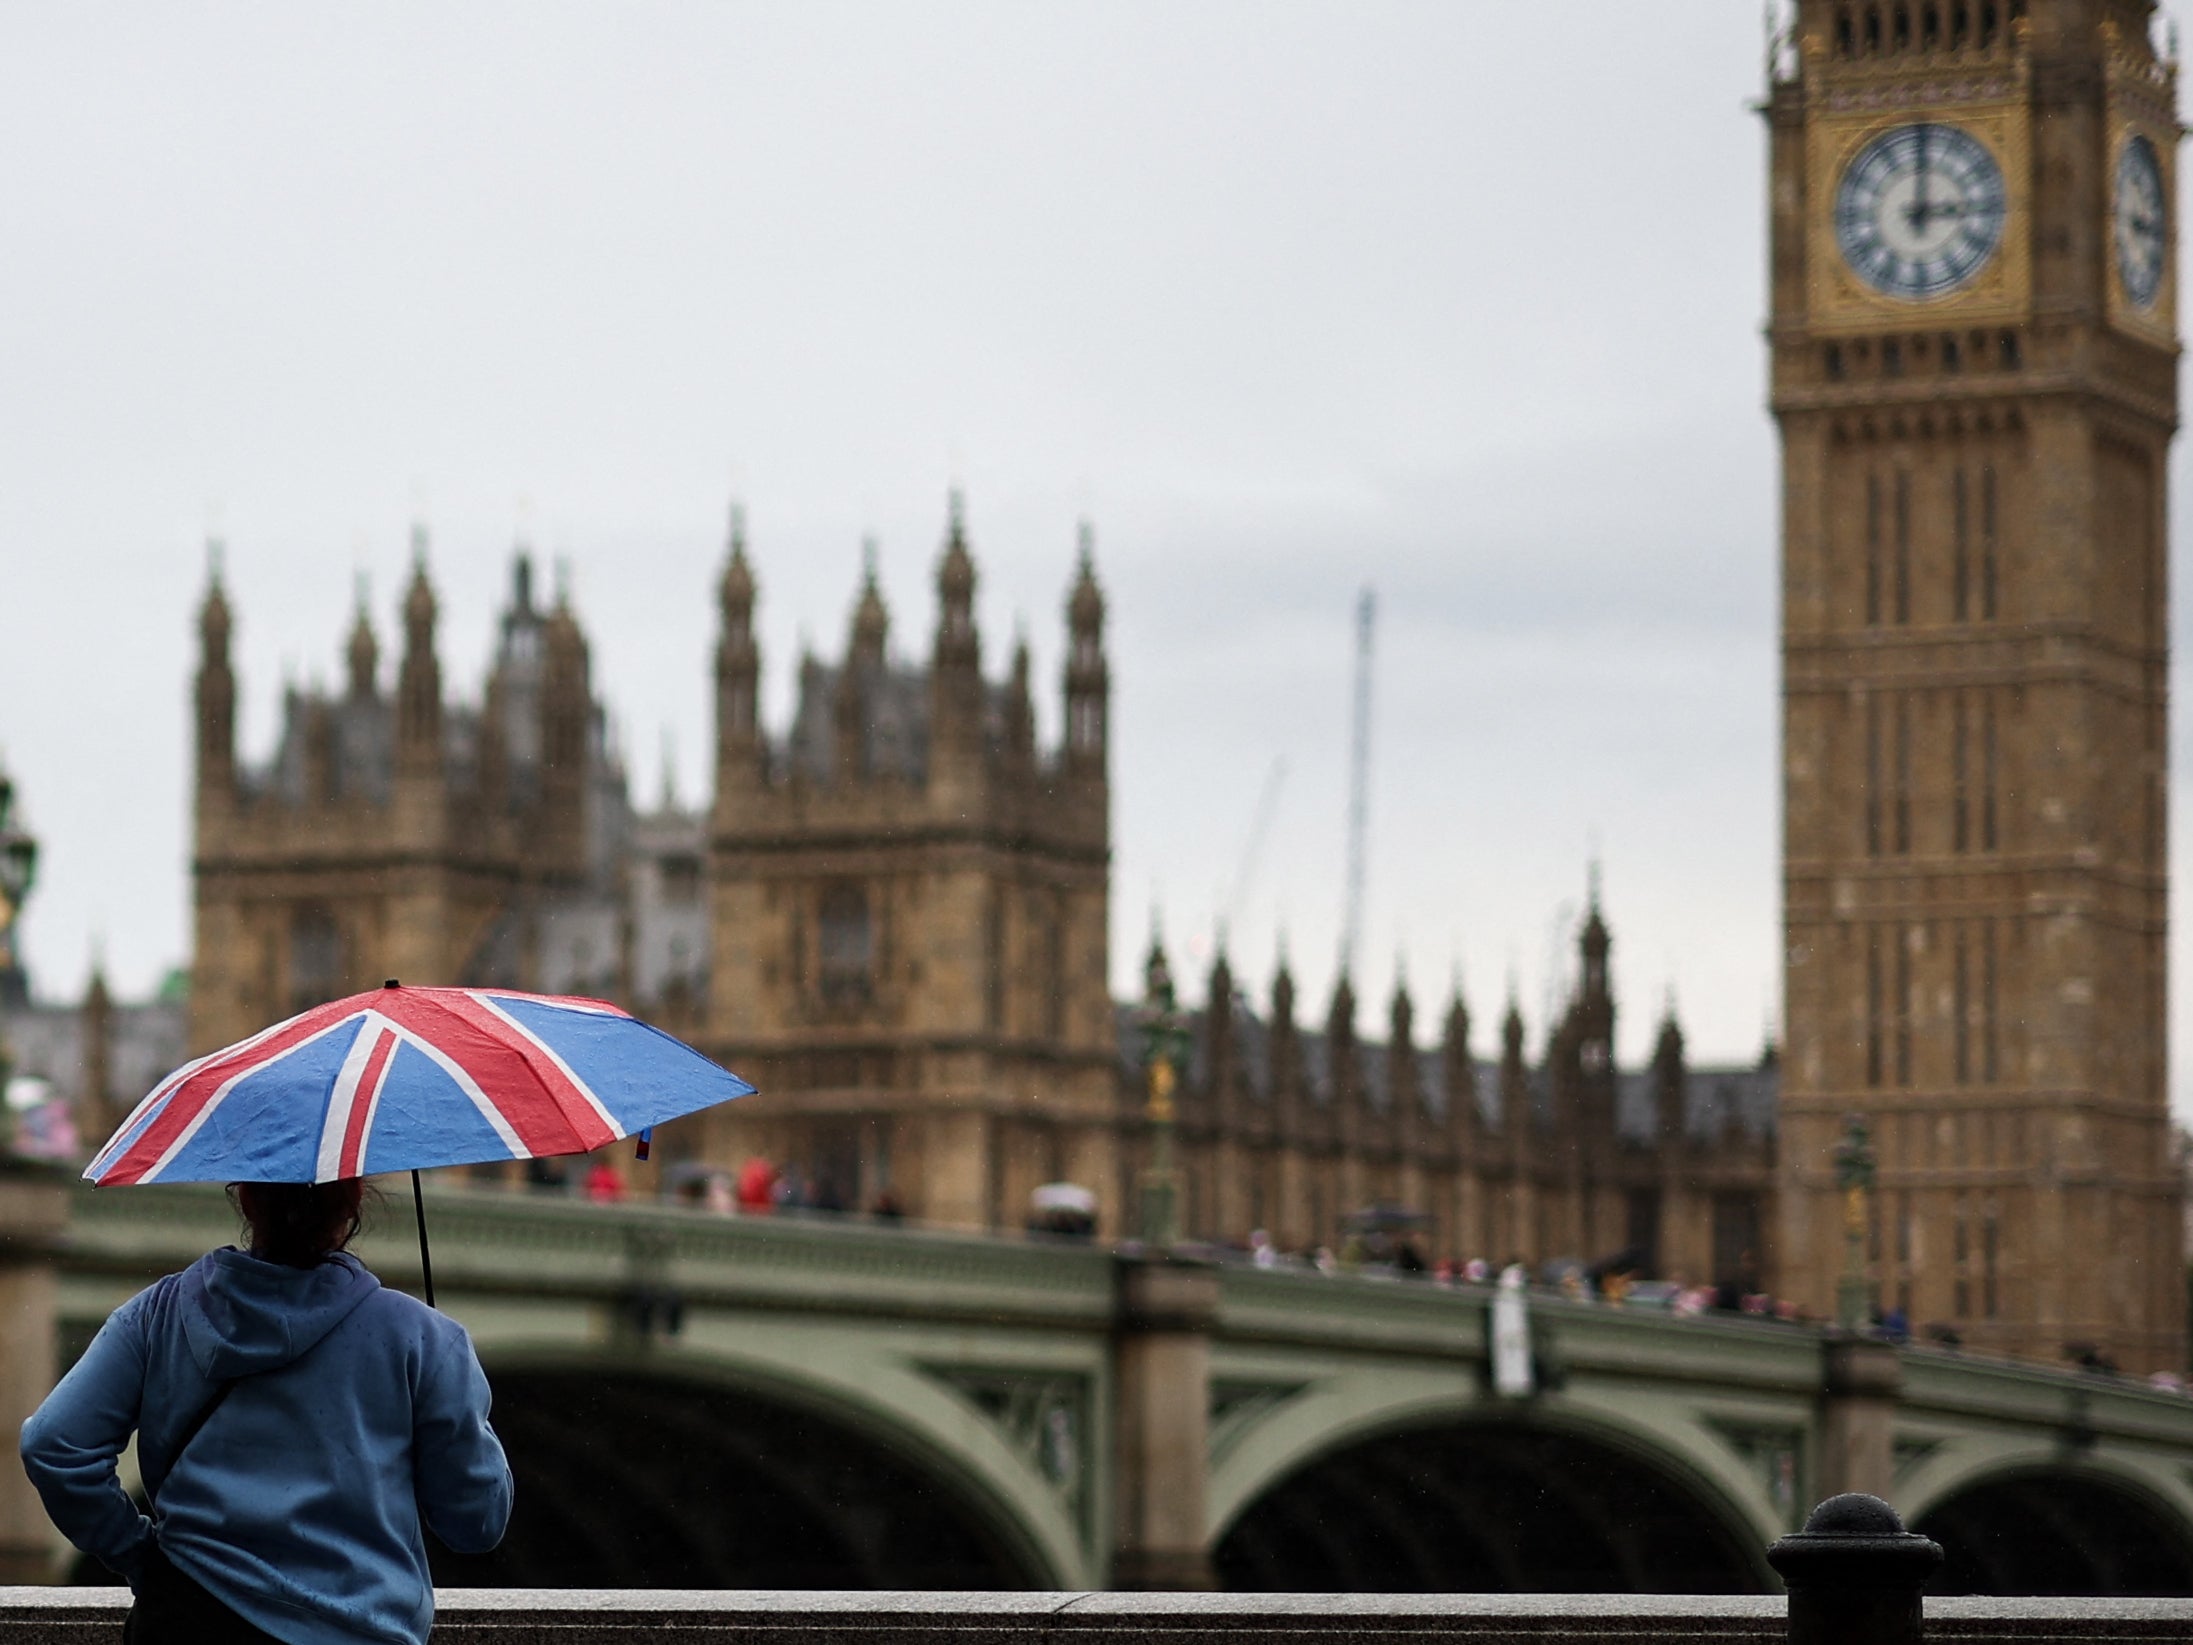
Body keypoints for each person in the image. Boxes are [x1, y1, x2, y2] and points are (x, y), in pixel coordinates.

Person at [19, 1179, 512, 1645]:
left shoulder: (157, 1314)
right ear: (354, 1202)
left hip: (187, 1617)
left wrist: (138, 1554)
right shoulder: (422, 1337)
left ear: (246, 1200)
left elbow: (53, 1444)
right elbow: (475, 1525)